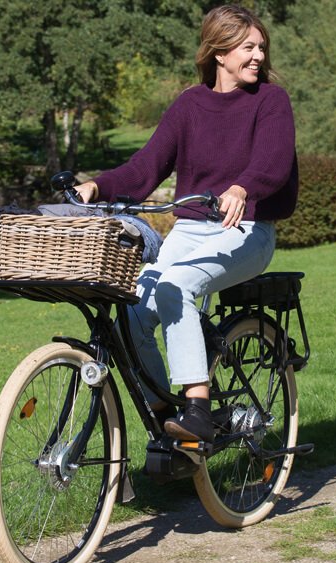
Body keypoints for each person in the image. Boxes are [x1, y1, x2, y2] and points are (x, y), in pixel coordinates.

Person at [71, 4, 298, 442]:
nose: (258, 55)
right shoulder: (190, 105)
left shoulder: (271, 101)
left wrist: (242, 187)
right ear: (219, 51)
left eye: (261, 47)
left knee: (176, 286)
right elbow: (144, 168)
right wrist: (95, 188)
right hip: (190, 231)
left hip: (247, 231)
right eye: (248, 47)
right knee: (132, 310)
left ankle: (197, 408)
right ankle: (164, 414)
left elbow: (273, 160)